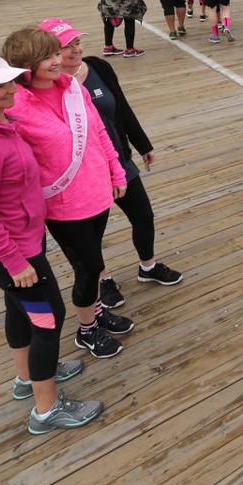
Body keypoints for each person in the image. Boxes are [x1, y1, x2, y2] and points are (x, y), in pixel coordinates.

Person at [0, 54, 102, 434]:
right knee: (48, 319)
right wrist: (14, 263)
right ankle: (47, 409)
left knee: (20, 309)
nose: (11, 89)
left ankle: (27, 377)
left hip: (19, 243)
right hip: (12, 252)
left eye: (10, 81)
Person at [0, 28, 132, 360]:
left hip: (97, 190)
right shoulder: (14, 106)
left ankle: (96, 312)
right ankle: (87, 330)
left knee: (94, 259)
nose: (58, 60)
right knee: (89, 267)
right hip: (62, 204)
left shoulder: (72, 87)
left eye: (55, 53)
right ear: (25, 66)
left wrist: (116, 170)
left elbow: (99, 131)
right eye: (47, 57)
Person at [43, 19, 183, 305]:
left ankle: (148, 266)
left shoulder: (99, 67)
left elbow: (121, 106)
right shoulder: (48, 88)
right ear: (50, 54)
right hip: (83, 173)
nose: (74, 51)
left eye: (77, 43)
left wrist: (142, 144)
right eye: (65, 48)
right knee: (93, 235)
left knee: (143, 216)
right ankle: (103, 279)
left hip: (119, 160)